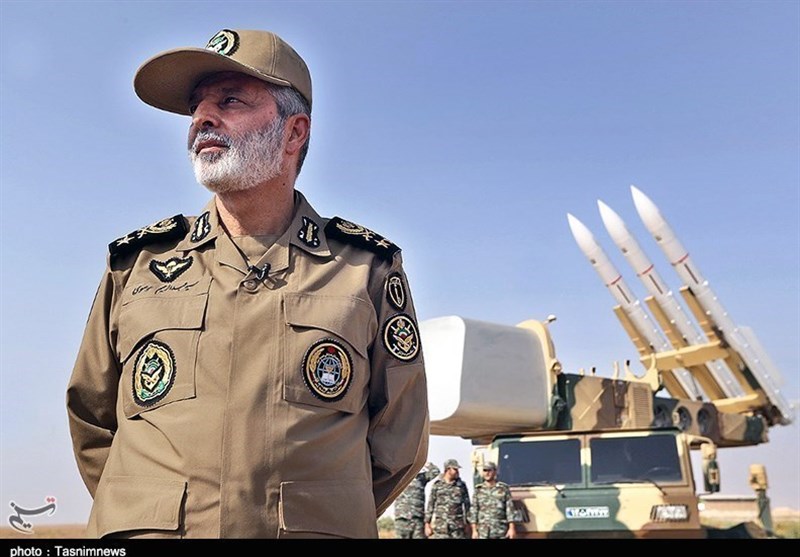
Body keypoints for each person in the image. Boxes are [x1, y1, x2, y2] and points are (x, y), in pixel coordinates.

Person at [66, 28, 430, 539]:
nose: (202, 118)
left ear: (294, 133)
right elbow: (91, 418)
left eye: (230, 100)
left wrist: (317, 518)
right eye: (196, 106)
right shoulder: (138, 265)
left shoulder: (366, 268)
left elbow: (399, 441)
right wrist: (146, 513)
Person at [468, 461, 517, 539]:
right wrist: (474, 531)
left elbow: (509, 510)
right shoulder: (478, 490)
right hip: (483, 532)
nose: (487, 473)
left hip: (500, 531)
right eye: (485, 470)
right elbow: (474, 511)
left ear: (495, 472)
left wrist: (511, 528)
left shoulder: (503, 488)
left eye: (489, 470)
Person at [424, 459, 471, 539]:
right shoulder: (437, 485)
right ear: (448, 469)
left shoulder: (461, 486)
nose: (457, 472)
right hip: (441, 528)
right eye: (455, 469)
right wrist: (427, 524)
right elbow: (430, 505)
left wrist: (468, 523)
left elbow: (467, 506)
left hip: (457, 528)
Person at [393, 461, 441, 539]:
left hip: (418, 518)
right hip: (402, 518)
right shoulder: (400, 477)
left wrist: (423, 461)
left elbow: (435, 471)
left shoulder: (421, 478)